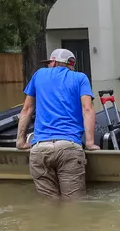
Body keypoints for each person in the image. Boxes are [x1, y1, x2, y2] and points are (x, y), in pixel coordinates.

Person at [16, 48, 99, 199]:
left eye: (49, 63)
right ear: (71, 65)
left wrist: (20, 141)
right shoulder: (80, 78)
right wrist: (90, 143)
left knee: (49, 205)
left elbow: (27, 109)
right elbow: (87, 109)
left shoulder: (39, 75)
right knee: (74, 205)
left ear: (53, 62)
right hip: (69, 147)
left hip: (40, 149)